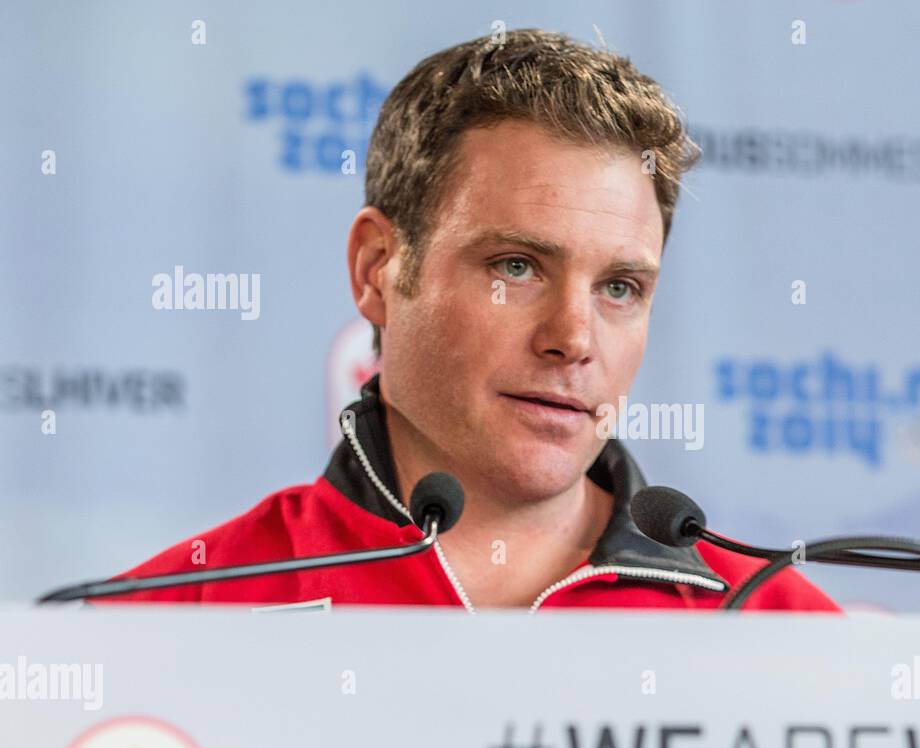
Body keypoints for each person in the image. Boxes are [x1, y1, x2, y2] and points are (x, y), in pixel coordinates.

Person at [98, 29, 839, 612]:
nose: (573, 339)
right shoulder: (175, 618)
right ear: (378, 269)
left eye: (619, 287)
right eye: (516, 266)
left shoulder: (779, 631)